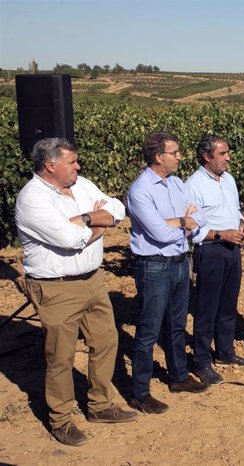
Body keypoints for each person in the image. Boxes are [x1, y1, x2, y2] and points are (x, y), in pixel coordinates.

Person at [15, 138, 137, 446]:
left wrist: (86, 219)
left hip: (93, 280)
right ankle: (61, 418)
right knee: (61, 356)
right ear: (50, 165)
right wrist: (97, 224)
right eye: (72, 162)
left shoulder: (82, 185)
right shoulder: (32, 199)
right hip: (57, 289)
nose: (78, 167)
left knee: (106, 341)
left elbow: (116, 208)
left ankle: (100, 405)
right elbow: (71, 239)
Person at [127, 131, 208, 414]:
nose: (179, 157)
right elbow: (159, 233)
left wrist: (182, 222)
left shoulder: (177, 184)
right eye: (174, 153)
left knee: (176, 324)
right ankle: (139, 392)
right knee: (148, 330)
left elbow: (200, 220)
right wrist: (185, 223)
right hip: (155, 265)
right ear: (158, 156)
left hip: (178, 262)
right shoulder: (141, 190)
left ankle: (178, 376)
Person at [185, 135, 244, 386]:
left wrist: (242, 224)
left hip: (232, 249)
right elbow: (192, 228)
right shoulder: (193, 185)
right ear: (207, 156)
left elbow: (233, 210)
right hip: (211, 251)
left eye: (228, 152)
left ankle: (225, 353)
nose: (228, 157)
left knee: (228, 305)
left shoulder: (229, 180)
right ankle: (201, 360)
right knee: (206, 309)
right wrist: (220, 234)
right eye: (223, 153)